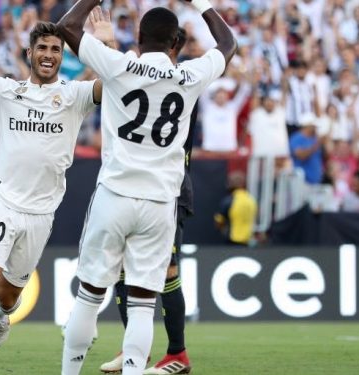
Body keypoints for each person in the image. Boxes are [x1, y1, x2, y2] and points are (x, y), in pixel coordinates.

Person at [57, 0, 236, 373]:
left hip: (115, 194)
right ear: (175, 41)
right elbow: (228, 44)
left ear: (137, 39)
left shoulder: (118, 63)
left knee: (89, 296)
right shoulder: (190, 76)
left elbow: (68, 26)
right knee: (142, 303)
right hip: (160, 204)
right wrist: (202, 4)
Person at [0, 5, 108, 375]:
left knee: (8, 294)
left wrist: (107, 46)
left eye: (56, 50)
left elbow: (115, 82)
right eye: (43, 48)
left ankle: (2, 313)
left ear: (62, 57)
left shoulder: (75, 95)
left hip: (40, 213)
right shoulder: (6, 91)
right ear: (29, 53)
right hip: (1, 201)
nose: (49, 55)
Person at [99, 27, 194, 375]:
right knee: (125, 269)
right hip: (138, 187)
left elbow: (131, 78)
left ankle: (177, 354)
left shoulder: (184, 81)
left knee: (166, 271)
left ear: (172, 47)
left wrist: (109, 48)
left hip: (168, 188)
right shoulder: (161, 77)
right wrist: (109, 45)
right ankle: (132, 351)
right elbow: (128, 80)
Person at [214, 171, 258, 246]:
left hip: (232, 241)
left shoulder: (229, 200)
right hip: (249, 240)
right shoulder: (252, 200)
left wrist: (223, 230)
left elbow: (219, 221)